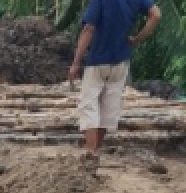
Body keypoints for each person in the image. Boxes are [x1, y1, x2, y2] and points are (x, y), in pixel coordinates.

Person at [69, 0, 161, 162]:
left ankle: (90, 152)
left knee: (89, 105)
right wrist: (137, 39)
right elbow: (156, 15)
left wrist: (76, 63)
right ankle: (96, 149)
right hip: (121, 61)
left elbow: (88, 29)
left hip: (97, 60)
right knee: (108, 106)